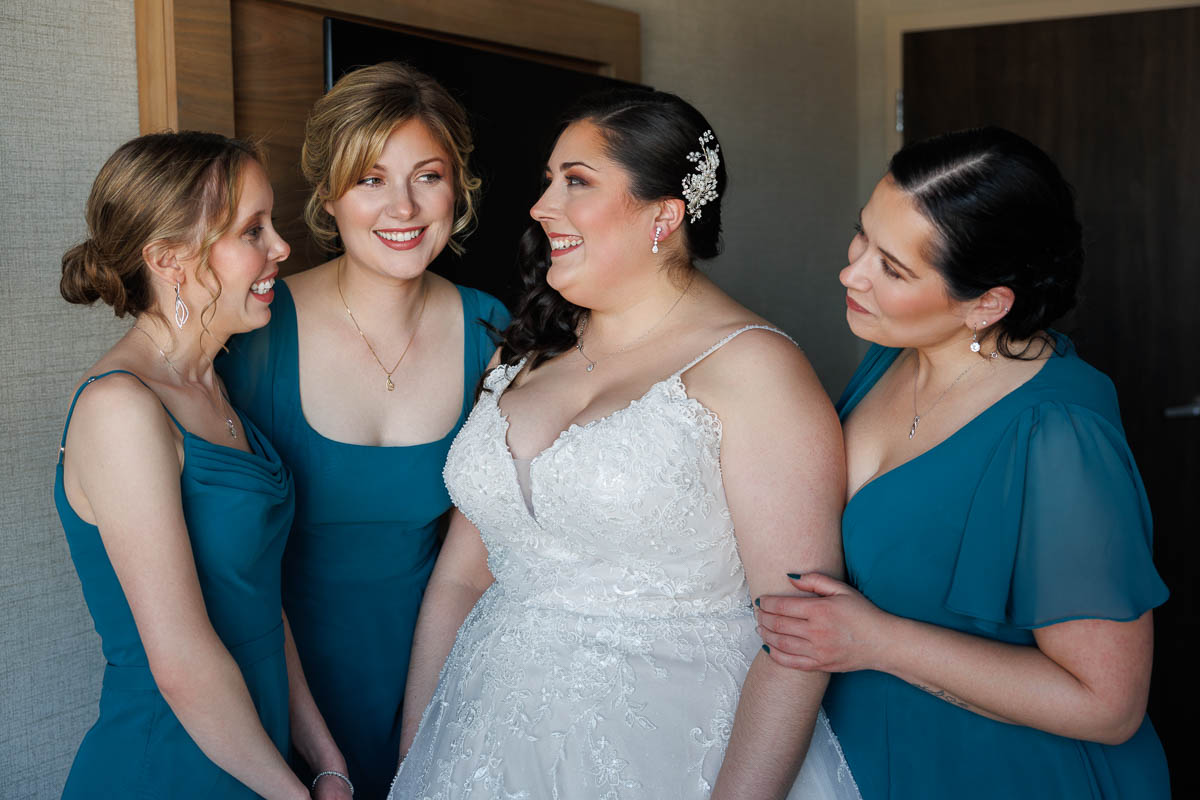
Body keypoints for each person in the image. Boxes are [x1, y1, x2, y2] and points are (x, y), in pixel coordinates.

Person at [390, 88, 861, 800]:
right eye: (550, 181)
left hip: (677, 749)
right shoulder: (522, 353)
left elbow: (797, 634)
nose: (543, 205)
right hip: (485, 737)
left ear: (664, 217)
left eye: (576, 181)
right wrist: (416, 755)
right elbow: (461, 578)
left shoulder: (754, 369)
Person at [755, 126, 1171, 799]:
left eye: (893, 268)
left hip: (1009, 773)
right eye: (863, 236)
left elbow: (1108, 705)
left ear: (987, 303)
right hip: (871, 753)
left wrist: (879, 642)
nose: (851, 272)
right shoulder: (894, 351)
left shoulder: (1058, 435)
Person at [217, 62, 510, 797]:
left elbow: (498, 551)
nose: (403, 207)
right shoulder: (251, 333)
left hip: (441, 679)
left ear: (460, 187)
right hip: (268, 687)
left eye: (429, 175)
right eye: (370, 179)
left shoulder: (495, 332)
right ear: (326, 195)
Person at [56, 132, 351, 799]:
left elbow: (257, 604)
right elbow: (181, 659)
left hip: (256, 755)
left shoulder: (213, 387)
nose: (281, 248)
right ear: (168, 259)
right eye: (253, 230)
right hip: (168, 765)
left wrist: (324, 758)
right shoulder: (121, 410)